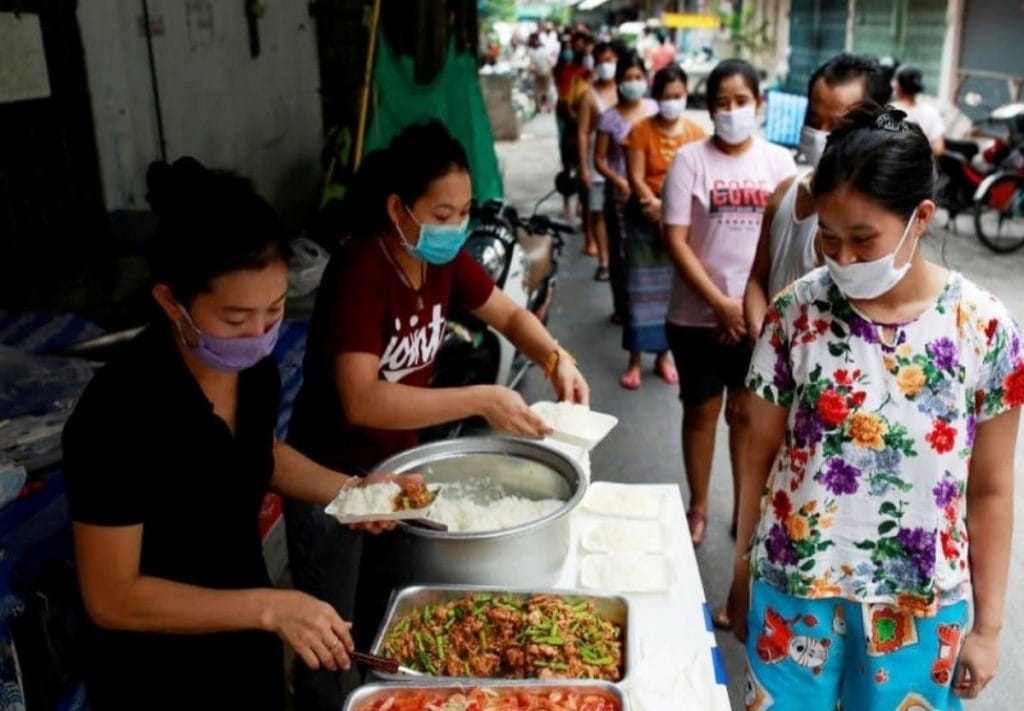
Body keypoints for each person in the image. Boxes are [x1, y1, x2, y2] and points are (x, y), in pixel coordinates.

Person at [61, 158, 404, 711]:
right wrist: (270, 607)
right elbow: (113, 597)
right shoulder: (117, 415)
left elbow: (257, 455)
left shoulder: (255, 369)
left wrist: (350, 492)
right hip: (156, 674)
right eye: (236, 317)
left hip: (246, 651)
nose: (259, 334)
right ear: (172, 302)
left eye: (273, 311)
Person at [284, 120, 589, 711]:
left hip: (396, 476)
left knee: (386, 616)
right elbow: (363, 398)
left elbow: (506, 315)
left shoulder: (442, 262)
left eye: (464, 212)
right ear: (399, 208)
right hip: (334, 484)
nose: (456, 227)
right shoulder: (360, 272)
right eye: (443, 213)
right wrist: (481, 398)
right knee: (330, 638)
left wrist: (555, 356)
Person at [729, 103, 1022, 709]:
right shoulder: (795, 313)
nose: (844, 259)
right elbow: (758, 452)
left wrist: (988, 630)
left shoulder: (984, 328)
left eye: (863, 240)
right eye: (829, 239)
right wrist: (740, 568)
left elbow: (991, 488)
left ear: (920, 218)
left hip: (919, 605)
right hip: (793, 590)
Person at [661, 58, 796, 547]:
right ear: (709, 107)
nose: (732, 111)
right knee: (699, 411)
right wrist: (719, 303)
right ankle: (697, 504)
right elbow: (675, 238)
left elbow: (786, 245)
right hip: (696, 315)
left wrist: (746, 311)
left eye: (741, 101)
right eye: (722, 103)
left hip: (757, 319)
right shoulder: (690, 160)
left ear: (758, 104)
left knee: (745, 414)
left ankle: (745, 512)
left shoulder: (780, 163)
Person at [744, 52, 891, 344]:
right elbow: (756, 281)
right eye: (813, 120)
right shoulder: (785, 192)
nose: (820, 135)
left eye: (836, 127)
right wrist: (764, 342)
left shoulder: (874, 220)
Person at [620, 65, 705, 389]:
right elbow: (636, 178)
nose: (673, 102)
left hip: (680, 222)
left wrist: (669, 208)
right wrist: (654, 205)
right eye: (667, 97)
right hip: (643, 218)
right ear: (656, 98)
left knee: (672, 292)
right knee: (639, 291)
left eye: (678, 96)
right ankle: (635, 360)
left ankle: (663, 356)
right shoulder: (640, 130)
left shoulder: (696, 132)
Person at [594, 51, 658, 312]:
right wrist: (619, 181)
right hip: (620, 194)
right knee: (621, 251)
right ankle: (623, 307)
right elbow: (599, 159)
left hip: (650, 192)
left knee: (650, 250)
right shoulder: (609, 118)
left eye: (638, 77)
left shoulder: (654, 110)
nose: (633, 82)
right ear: (619, 82)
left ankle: (650, 305)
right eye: (628, 77)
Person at [576, 41, 621, 265]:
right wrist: (584, 166)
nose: (606, 65)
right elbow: (583, 132)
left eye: (610, 60)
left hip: (622, 165)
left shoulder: (624, 91)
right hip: (598, 165)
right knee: (598, 211)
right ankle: (604, 260)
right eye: (602, 61)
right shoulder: (589, 96)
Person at [553, 30, 592, 215]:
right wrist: (576, 119)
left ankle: (579, 204)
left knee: (582, 161)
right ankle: (567, 203)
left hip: (581, 123)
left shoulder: (588, 73)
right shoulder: (567, 71)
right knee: (568, 161)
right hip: (568, 122)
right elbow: (565, 101)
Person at [892, 63, 946, 155]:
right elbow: (939, 148)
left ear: (898, 86)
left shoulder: (888, 112)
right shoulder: (930, 111)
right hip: (923, 167)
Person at [527, 32, 553, 113]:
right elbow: (551, 61)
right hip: (546, 72)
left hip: (539, 73)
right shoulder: (545, 49)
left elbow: (531, 64)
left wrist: (531, 69)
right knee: (547, 90)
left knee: (538, 90)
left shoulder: (532, 52)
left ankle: (538, 108)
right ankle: (549, 108)